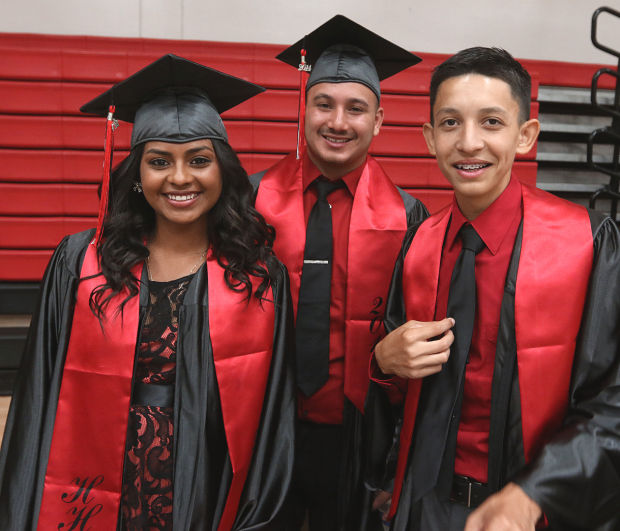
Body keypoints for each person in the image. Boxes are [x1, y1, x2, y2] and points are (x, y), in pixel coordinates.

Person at [0, 54, 295, 530]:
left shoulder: (256, 277)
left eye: (199, 160)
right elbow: (38, 394)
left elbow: (273, 422)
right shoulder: (81, 262)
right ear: (137, 176)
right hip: (94, 477)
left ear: (223, 171)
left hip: (201, 481)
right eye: (160, 162)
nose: (180, 178)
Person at [371, 46, 620, 530]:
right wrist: (382, 362)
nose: (468, 142)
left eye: (491, 122)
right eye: (449, 123)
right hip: (425, 505)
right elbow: (400, 391)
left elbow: (612, 397)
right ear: (428, 138)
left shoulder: (588, 242)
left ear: (525, 136)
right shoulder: (419, 244)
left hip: (534, 508)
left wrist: (533, 495)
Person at [251, 15, 428, 531]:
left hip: (358, 435)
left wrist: (398, 461)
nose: (338, 121)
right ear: (304, 109)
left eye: (356, 108)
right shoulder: (250, 199)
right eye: (323, 103)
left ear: (378, 121)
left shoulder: (410, 218)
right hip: (264, 429)